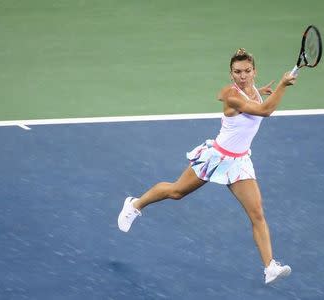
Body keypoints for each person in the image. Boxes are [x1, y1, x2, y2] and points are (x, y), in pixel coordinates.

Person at [118, 48, 296, 284]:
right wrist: (283, 85)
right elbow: (264, 111)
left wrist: (261, 91)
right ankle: (135, 204)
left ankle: (269, 267)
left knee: (257, 213)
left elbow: (257, 102)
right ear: (230, 73)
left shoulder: (253, 90)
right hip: (217, 157)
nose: (242, 76)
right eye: (237, 72)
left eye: (247, 71)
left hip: (240, 161)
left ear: (255, 71)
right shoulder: (231, 95)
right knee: (176, 191)